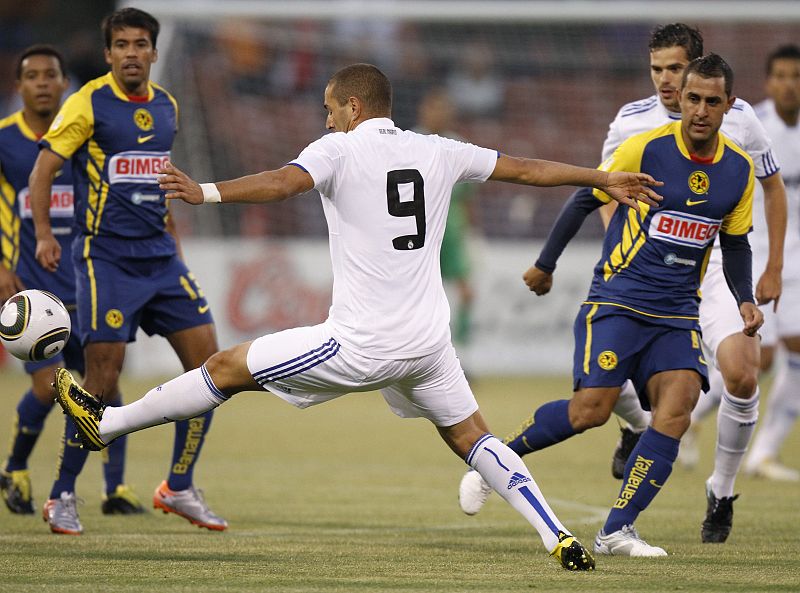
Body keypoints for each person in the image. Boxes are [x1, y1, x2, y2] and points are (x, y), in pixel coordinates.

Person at [53, 62, 663, 571]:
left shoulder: (338, 148)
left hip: (360, 344)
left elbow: (282, 182)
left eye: (328, 108)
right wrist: (602, 177)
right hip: (427, 343)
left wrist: (206, 191)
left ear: (350, 106)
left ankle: (106, 426)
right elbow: (530, 170)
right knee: (472, 436)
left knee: (225, 367)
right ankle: (556, 533)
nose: (324, 119)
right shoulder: (439, 149)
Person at [459, 24, 787, 546]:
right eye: (692, 98)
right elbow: (587, 195)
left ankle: (617, 530)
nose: (698, 109)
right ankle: (497, 455)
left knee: (676, 411)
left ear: (730, 107)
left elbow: (738, 243)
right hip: (620, 298)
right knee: (589, 410)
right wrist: (546, 264)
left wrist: (746, 298)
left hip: (679, 308)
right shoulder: (644, 147)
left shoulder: (738, 171)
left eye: (710, 101)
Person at [29, 8, 226, 534]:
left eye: (141, 44)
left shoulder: (167, 106)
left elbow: (157, 185)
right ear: (110, 53)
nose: (132, 53)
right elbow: (44, 168)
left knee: (210, 369)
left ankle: (179, 486)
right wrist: (47, 234)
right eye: (122, 45)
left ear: (154, 53)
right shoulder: (88, 102)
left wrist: (176, 249)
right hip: (105, 258)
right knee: (103, 377)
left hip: (161, 258)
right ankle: (62, 493)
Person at [0, 45, 144, 523]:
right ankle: (17, 466)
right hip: (31, 290)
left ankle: (115, 485)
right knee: (49, 387)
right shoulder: (4, 140)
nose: (41, 83)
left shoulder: (82, 136)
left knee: (106, 380)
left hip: (87, 281)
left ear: (65, 84)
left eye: (50, 75)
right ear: (18, 86)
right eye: (31, 75)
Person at [742, 44, 800, 482]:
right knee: (755, 361)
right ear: (768, 82)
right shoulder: (752, 125)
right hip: (759, 253)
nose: (788, 84)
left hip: (797, 257)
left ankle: (763, 453)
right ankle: (688, 416)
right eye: (781, 75)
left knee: (796, 353)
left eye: (796, 76)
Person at [415, 88, 477, 349]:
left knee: (466, 293)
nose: (437, 114)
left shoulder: (460, 146)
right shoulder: (408, 141)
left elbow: (467, 198)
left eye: (442, 108)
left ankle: (463, 354)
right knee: (418, 294)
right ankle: (417, 349)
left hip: (451, 233)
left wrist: (471, 231)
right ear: (423, 111)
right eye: (432, 108)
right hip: (418, 232)